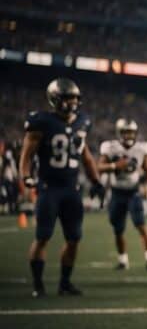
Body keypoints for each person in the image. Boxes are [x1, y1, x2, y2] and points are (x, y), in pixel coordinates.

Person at [19, 78, 105, 297]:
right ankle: (38, 285)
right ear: (55, 99)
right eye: (68, 98)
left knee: (74, 238)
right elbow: (27, 154)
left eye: (75, 98)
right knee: (43, 236)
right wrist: (26, 177)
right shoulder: (42, 122)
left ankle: (64, 283)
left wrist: (96, 181)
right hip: (49, 188)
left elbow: (85, 156)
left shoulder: (82, 122)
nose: (73, 102)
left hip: (71, 190)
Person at [98, 118, 147, 271]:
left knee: (140, 224)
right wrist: (115, 165)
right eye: (125, 132)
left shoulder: (142, 148)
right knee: (118, 228)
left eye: (131, 132)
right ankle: (123, 260)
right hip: (117, 192)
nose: (129, 135)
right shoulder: (110, 147)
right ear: (119, 133)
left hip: (133, 191)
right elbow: (99, 167)